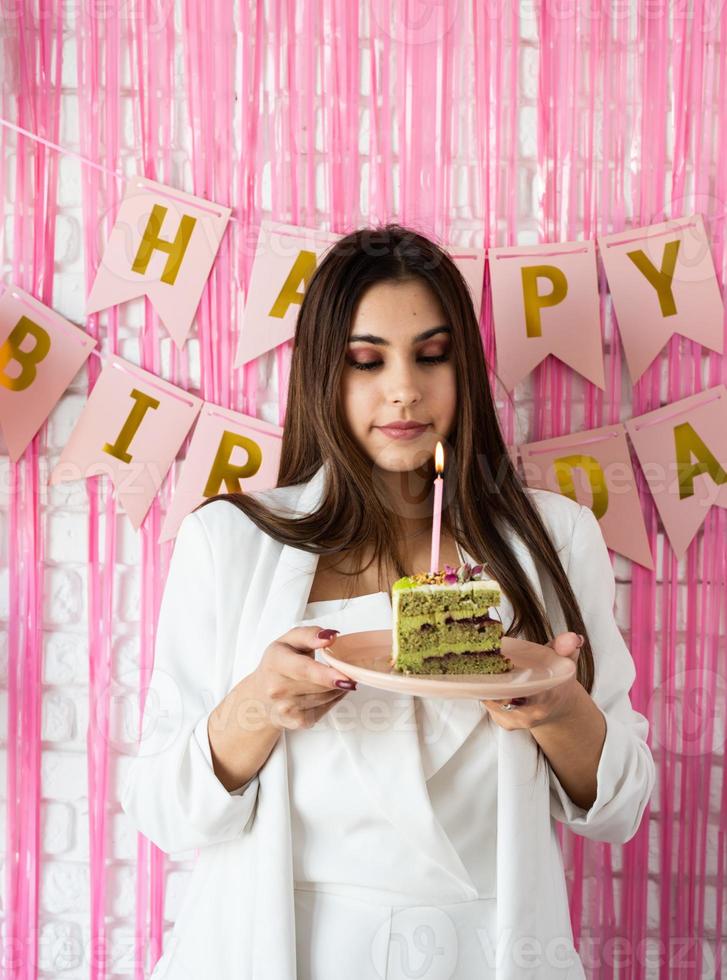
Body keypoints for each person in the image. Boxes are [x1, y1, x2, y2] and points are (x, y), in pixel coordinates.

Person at [120, 224, 656, 980]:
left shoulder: (555, 540)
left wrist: (555, 706)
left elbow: (622, 807)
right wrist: (260, 703)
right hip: (282, 951)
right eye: (366, 362)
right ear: (322, 376)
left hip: (482, 952)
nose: (404, 388)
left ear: (462, 368)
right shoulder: (228, 543)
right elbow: (163, 812)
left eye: (431, 356)